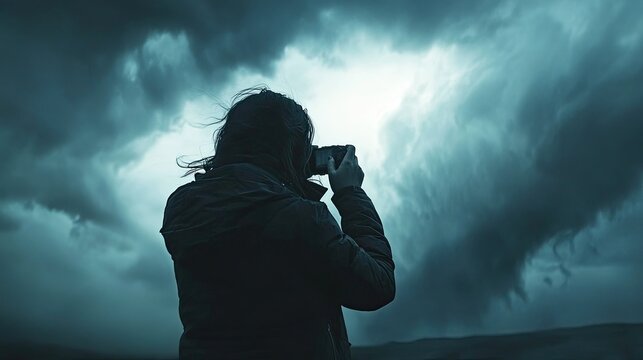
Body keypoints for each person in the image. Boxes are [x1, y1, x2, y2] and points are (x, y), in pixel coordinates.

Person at [160, 87, 395, 359]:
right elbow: (378, 285)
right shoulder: (302, 219)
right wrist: (350, 193)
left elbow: (249, 220)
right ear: (292, 150)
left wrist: (287, 177)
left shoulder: (183, 208)